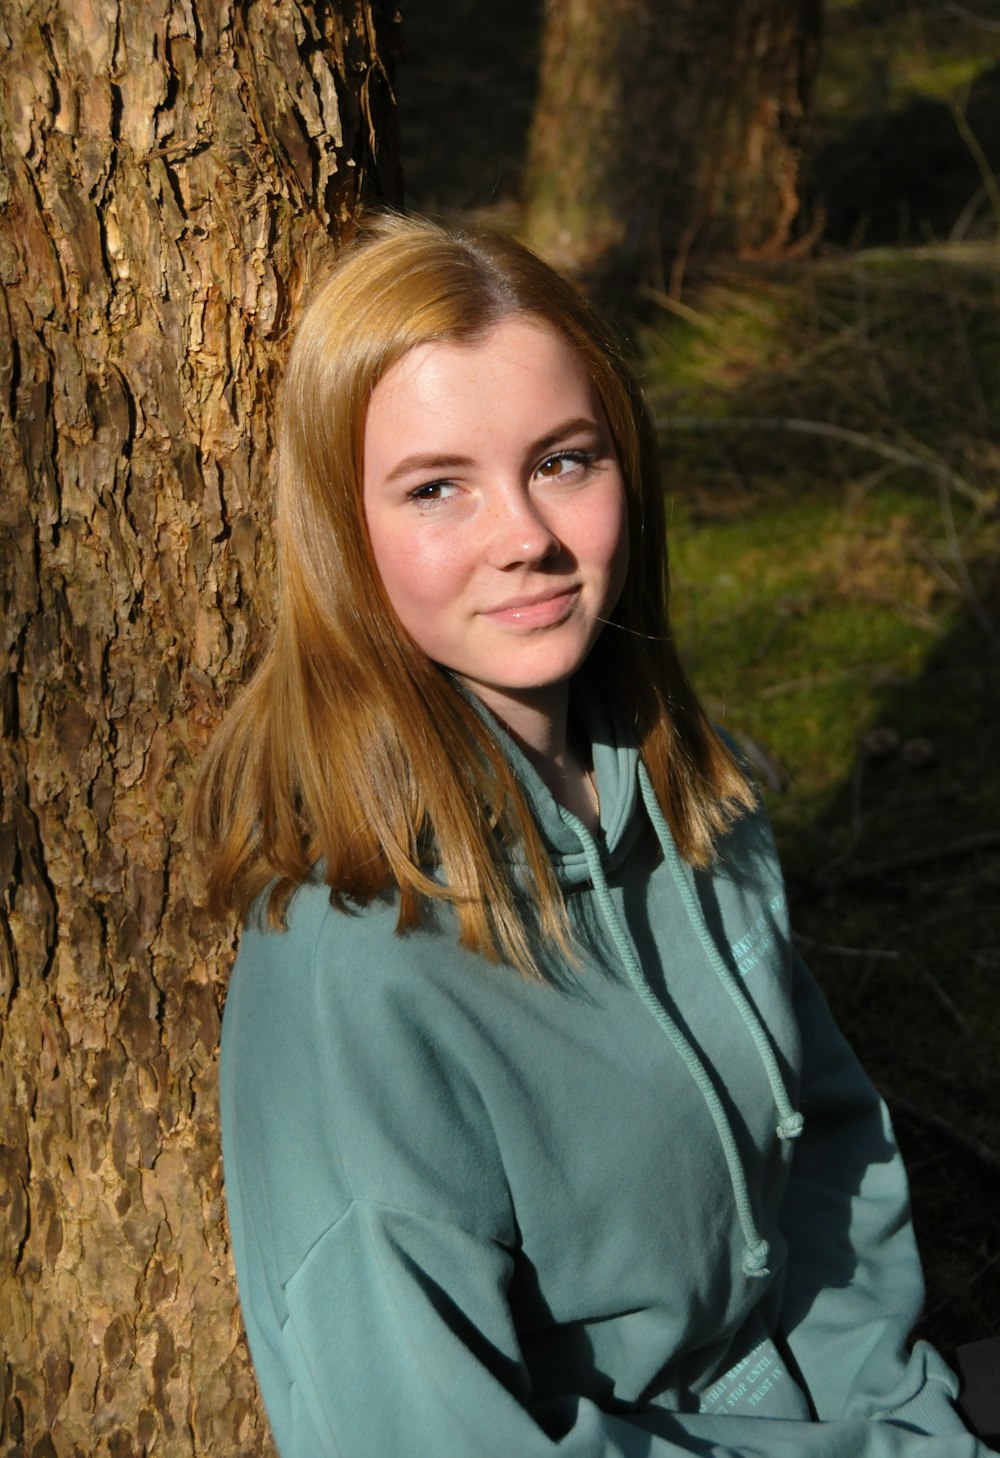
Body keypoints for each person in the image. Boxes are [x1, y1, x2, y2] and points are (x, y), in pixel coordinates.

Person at [193, 212, 994, 1457]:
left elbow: (829, 1157)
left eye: (563, 460)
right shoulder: (353, 964)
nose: (526, 537)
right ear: (344, 535)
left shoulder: (681, 798)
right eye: (437, 487)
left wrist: (893, 1415)